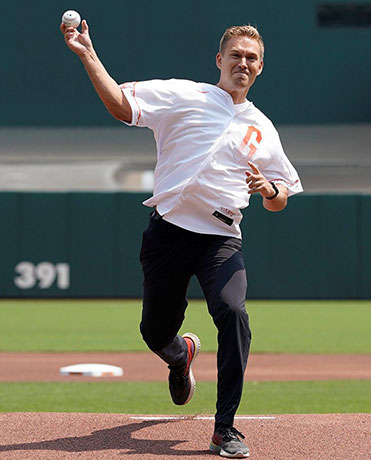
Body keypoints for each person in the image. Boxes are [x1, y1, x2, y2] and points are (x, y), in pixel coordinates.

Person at [62, 20, 301, 459]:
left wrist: (270, 191)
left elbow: (282, 196)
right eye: (236, 55)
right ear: (220, 60)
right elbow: (120, 106)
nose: (243, 63)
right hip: (168, 231)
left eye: (251, 58)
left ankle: (224, 428)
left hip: (221, 237)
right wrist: (86, 54)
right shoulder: (184, 95)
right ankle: (179, 355)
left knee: (233, 314)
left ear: (261, 67)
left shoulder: (263, 128)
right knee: (154, 332)